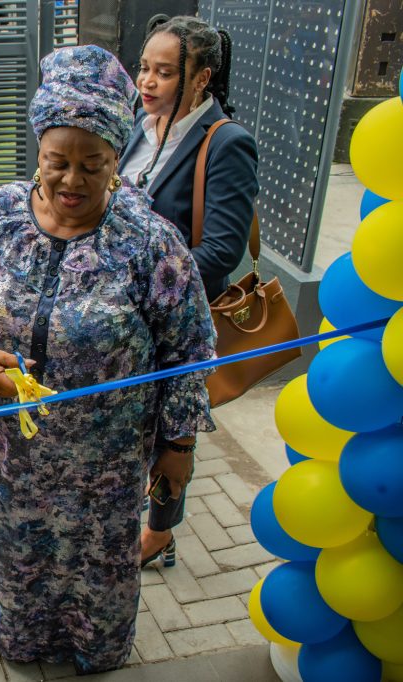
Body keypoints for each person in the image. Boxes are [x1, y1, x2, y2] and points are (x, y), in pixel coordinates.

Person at [0, 45, 216, 674]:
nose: (72, 181)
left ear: (117, 160)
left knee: (89, 564)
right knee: (12, 547)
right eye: (57, 162)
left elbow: (189, 348)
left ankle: (89, 645)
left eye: (93, 164)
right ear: (37, 155)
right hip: (2, 453)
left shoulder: (147, 241)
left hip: (100, 469)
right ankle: (9, 629)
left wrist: (178, 446)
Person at [118, 15, 259, 567]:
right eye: (144, 68)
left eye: (164, 72)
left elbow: (221, 253)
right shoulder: (141, 122)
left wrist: (143, 291)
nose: (147, 82)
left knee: (172, 435)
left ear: (201, 78)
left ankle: (159, 531)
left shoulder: (227, 144)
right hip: (125, 317)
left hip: (177, 321)